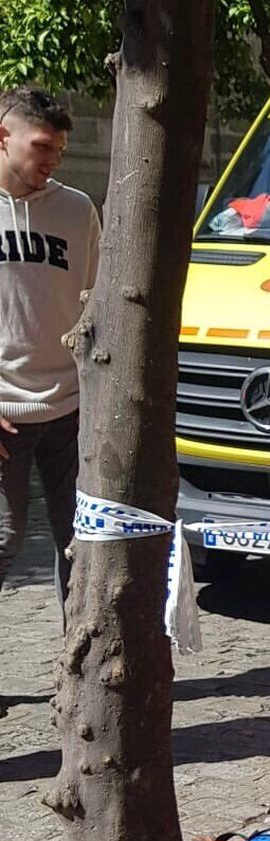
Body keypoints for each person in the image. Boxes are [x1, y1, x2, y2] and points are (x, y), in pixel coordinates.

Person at [0, 87, 100, 610]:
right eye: (43, 146)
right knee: (5, 538)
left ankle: (79, 674)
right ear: (3, 137)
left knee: (81, 546)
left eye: (60, 150)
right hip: (4, 413)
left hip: (69, 407)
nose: (54, 159)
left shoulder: (77, 211)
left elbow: (96, 306)